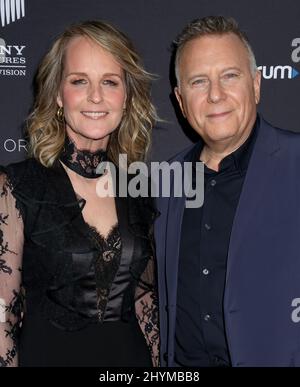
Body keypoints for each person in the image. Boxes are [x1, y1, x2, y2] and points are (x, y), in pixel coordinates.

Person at [0, 20, 159, 367]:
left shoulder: (140, 191)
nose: (96, 96)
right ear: (58, 93)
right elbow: (2, 317)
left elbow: (146, 304)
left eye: (110, 82)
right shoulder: (17, 187)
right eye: (79, 81)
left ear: (126, 95)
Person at [155, 15, 300, 367]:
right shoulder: (163, 182)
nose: (215, 94)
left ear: (256, 85)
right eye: (199, 81)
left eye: (230, 76)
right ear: (180, 99)